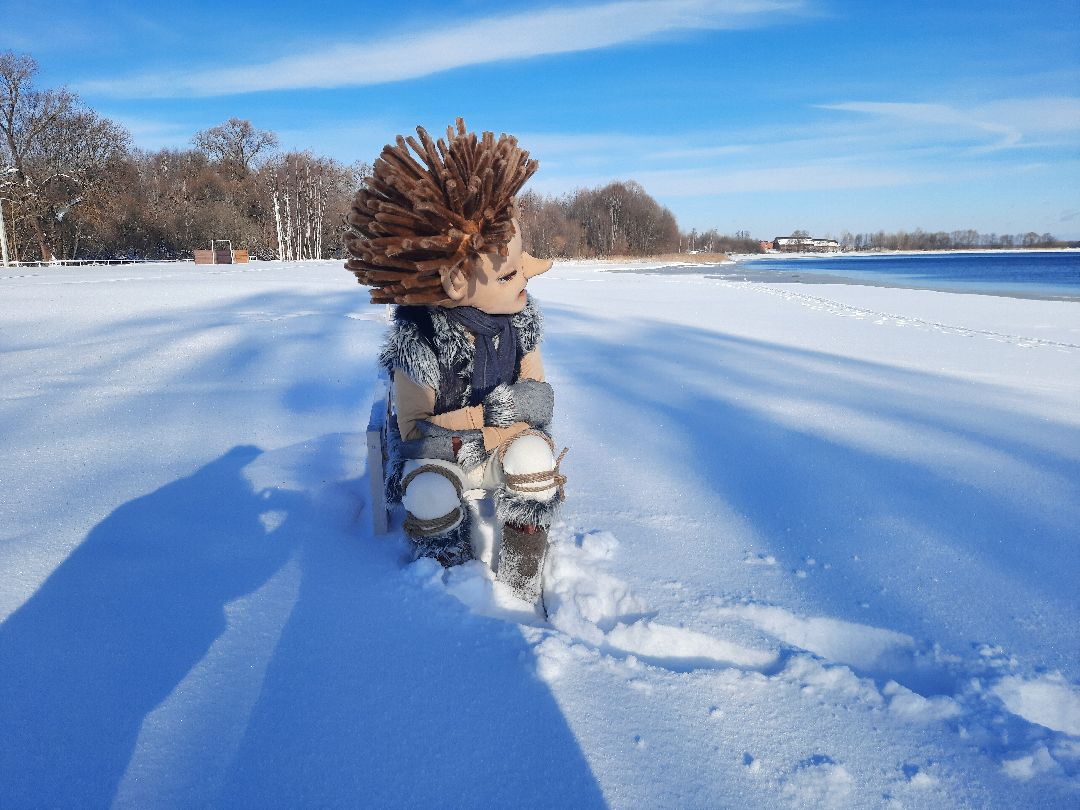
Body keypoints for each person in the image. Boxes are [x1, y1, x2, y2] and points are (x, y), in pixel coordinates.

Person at [344, 118, 566, 610]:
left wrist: (495, 424)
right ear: (456, 285)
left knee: (535, 461)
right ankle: (452, 581)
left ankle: (520, 579)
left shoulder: (520, 324)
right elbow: (417, 432)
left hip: (498, 448)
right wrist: (494, 418)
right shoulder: (419, 340)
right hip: (442, 458)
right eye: (510, 272)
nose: (526, 277)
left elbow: (539, 398)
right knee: (427, 495)